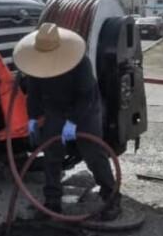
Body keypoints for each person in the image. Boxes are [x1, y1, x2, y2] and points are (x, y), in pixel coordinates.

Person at [13, 22, 119, 220]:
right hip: (55, 110)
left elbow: (86, 97)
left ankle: (111, 197)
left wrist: (73, 122)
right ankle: (52, 201)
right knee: (51, 154)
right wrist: (33, 118)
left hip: (85, 110)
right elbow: (34, 93)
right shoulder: (35, 62)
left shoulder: (80, 63)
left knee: (93, 154)